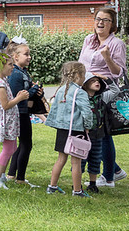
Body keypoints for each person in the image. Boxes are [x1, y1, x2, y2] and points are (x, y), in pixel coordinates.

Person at [78, 7, 128, 188]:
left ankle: (108, 177)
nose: (100, 22)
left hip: (104, 92)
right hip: (86, 91)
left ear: (112, 24)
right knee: (91, 132)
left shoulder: (116, 44)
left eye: (105, 20)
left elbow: (119, 73)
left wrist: (107, 58)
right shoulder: (88, 40)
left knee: (102, 134)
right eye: (98, 19)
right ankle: (114, 170)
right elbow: (81, 64)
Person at [46, 61, 93, 198]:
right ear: (78, 75)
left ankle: (52, 186)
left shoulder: (60, 90)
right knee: (76, 161)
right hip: (76, 129)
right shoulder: (80, 92)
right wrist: (88, 126)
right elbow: (87, 112)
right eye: (84, 75)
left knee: (61, 158)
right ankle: (77, 191)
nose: (84, 78)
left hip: (62, 129)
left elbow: (54, 110)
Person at [5, 42, 46, 186]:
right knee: (26, 144)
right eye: (26, 54)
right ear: (15, 57)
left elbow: (29, 92)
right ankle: (20, 178)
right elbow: (20, 95)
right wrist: (34, 89)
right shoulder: (15, 74)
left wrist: (38, 91)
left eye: (29, 54)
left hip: (24, 112)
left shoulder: (23, 72)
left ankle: (11, 174)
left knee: (22, 144)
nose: (29, 57)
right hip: (20, 113)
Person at [0, 54, 29, 189]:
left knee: (12, 147)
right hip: (4, 120)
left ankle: (2, 175)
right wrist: (19, 98)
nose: (12, 67)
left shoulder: (3, 80)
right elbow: (5, 105)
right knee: (8, 149)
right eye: (10, 64)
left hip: (8, 119)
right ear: (0, 66)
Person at [79, 72, 120, 195]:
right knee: (81, 160)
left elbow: (115, 91)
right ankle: (77, 183)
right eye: (93, 81)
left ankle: (93, 184)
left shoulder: (102, 97)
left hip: (98, 134)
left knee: (95, 159)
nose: (97, 82)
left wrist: (105, 78)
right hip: (82, 135)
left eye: (98, 81)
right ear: (85, 84)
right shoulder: (81, 97)